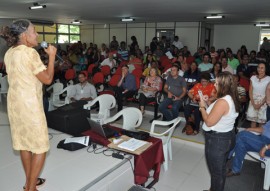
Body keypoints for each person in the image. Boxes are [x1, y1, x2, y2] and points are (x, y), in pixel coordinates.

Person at [0, 19, 57, 191]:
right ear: (24, 36)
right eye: (34, 31)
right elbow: (47, 79)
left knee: (24, 144)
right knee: (40, 147)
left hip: (14, 105)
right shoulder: (30, 53)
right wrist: (52, 56)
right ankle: (30, 189)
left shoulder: (10, 52)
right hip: (30, 105)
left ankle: (29, 182)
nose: (37, 34)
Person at [199, 72, 240, 191]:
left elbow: (209, 122)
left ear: (224, 85)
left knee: (216, 173)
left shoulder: (223, 101)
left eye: (217, 83)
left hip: (217, 141)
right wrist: (207, 103)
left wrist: (202, 107)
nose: (215, 85)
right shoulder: (230, 97)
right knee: (220, 170)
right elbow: (218, 114)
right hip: (226, 137)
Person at [246, 62, 270, 128]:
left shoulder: (268, 79)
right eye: (258, 67)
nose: (260, 69)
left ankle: (259, 137)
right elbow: (250, 91)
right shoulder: (253, 78)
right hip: (253, 100)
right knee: (253, 121)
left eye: (262, 68)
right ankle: (252, 136)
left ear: (266, 69)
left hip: (264, 102)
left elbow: (268, 93)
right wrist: (253, 103)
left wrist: (260, 104)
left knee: (261, 122)